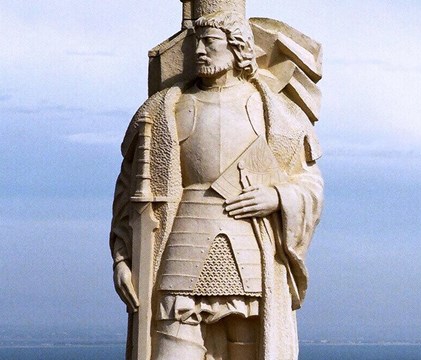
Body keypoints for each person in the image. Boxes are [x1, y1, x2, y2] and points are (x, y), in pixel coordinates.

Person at [109, 10, 323, 360]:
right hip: (180, 248)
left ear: (237, 47)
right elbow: (130, 189)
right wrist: (121, 258)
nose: (200, 52)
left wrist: (277, 196)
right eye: (196, 43)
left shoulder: (274, 113)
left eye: (210, 42)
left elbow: (309, 183)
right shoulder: (164, 109)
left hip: (250, 250)